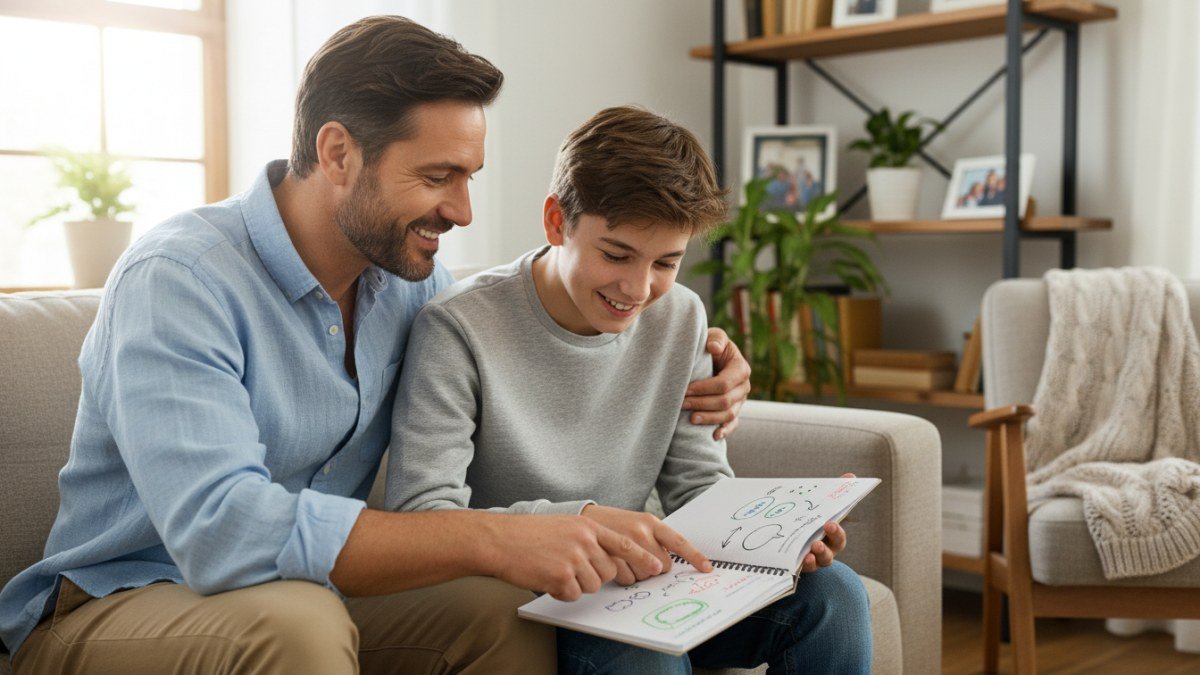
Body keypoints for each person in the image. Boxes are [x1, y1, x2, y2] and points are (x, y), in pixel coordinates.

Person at [0, 17, 752, 675]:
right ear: (337, 153)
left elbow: (529, 334)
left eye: (468, 177)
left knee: (504, 609)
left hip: (313, 593)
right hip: (120, 601)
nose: (460, 208)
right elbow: (223, 531)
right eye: (437, 176)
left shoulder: (412, 289)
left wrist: (697, 350)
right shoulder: (180, 279)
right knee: (301, 621)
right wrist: (499, 534)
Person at [387, 106, 871, 674]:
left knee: (834, 595)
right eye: (616, 254)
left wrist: (774, 541)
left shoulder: (682, 316)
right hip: (531, 591)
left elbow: (699, 486)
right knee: (650, 658)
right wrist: (581, 521)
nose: (638, 288)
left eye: (666, 262)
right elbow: (421, 510)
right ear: (555, 222)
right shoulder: (458, 326)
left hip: (641, 580)